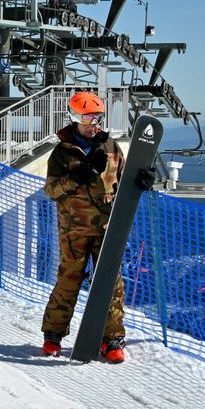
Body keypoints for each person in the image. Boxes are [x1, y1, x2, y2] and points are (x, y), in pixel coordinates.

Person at [40, 92, 154, 363]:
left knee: (110, 283)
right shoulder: (62, 152)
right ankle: (53, 334)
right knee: (69, 279)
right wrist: (77, 176)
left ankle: (112, 338)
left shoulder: (111, 147)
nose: (94, 123)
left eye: (97, 117)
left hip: (106, 227)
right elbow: (52, 190)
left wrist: (145, 179)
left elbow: (126, 180)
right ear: (74, 118)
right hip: (73, 228)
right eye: (87, 117)